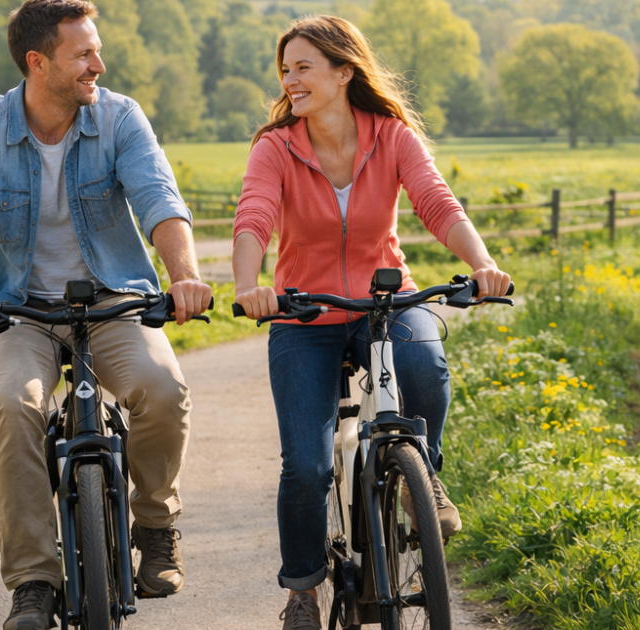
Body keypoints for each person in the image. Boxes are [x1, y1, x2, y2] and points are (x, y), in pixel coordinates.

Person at [0, 0, 213, 627]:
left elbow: (160, 199)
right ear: (37, 61)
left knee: (161, 389)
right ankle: (33, 581)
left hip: (113, 302)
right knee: (13, 408)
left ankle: (155, 523)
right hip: (15, 311)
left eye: (96, 51)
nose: (98, 65)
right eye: (83, 54)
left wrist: (183, 275)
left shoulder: (120, 118)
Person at [229, 15, 511, 630]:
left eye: (303, 67)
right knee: (306, 464)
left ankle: (421, 478)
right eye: (286, 69)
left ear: (343, 72)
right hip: (304, 313)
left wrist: (483, 265)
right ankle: (303, 591)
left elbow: (438, 202)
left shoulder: (391, 135)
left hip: (387, 300)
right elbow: (254, 215)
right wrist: (249, 287)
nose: (289, 79)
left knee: (424, 367)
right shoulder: (275, 146)